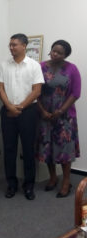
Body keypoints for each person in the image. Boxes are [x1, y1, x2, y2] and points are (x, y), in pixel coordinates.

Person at [0, 33, 44, 200]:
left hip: (28, 112)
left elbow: (37, 90)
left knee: (28, 149)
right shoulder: (4, 65)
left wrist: (21, 107)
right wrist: (9, 106)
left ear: (24, 46)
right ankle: (11, 184)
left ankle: (29, 186)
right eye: (10, 45)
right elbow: (0, 88)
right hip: (8, 112)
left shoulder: (34, 66)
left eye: (14, 45)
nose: (11, 48)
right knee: (9, 149)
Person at [36, 40, 81, 198]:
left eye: (59, 53)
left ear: (65, 55)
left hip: (65, 117)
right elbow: (35, 90)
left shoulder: (72, 69)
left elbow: (76, 93)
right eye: (53, 51)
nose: (55, 54)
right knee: (47, 148)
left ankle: (66, 181)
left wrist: (61, 110)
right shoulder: (41, 67)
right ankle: (53, 177)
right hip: (45, 115)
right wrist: (42, 110)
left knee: (64, 150)